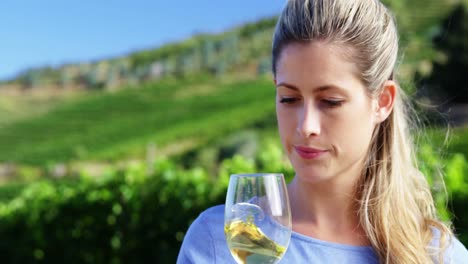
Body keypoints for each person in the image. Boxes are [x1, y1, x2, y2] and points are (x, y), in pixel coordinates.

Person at [177, 0, 468, 263]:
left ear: (382, 102)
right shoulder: (219, 242)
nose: (306, 126)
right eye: (288, 98)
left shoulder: (439, 256)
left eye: (331, 102)